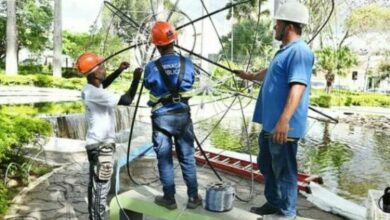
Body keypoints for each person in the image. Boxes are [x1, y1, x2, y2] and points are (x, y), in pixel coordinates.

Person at [235, 1, 315, 219]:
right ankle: (274, 202)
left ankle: (287, 213)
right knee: (266, 164)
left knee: (285, 171)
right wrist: (250, 76)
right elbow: (270, 71)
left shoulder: (300, 52)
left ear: (288, 26)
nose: (274, 27)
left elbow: (298, 87)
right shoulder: (284, 51)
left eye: (277, 23)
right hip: (270, 124)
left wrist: (284, 120)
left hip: (283, 126)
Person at [75, 52, 142, 220]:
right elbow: (127, 100)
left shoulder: (91, 88)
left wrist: (119, 70)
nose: (105, 69)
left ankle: (94, 217)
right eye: (102, 67)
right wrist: (136, 79)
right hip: (102, 146)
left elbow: (104, 84)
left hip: (96, 144)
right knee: (101, 189)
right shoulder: (96, 93)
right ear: (95, 73)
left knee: (95, 187)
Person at [143, 21, 202, 210]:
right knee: (187, 157)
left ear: (156, 44)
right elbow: (190, 81)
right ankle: (193, 197)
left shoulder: (151, 67)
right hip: (182, 117)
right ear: (174, 40)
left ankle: (169, 198)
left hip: (161, 119)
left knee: (165, 159)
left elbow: (148, 85)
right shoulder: (188, 63)